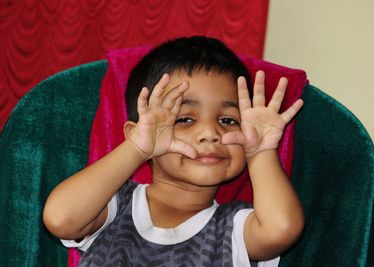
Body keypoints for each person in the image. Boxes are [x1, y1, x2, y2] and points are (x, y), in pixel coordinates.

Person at [43, 36, 305, 266]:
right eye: (184, 119)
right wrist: (136, 147)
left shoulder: (234, 228)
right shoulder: (114, 205)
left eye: (228, 120)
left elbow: (280, 228)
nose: (210, 133)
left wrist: (259, 151)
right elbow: (61, 218)